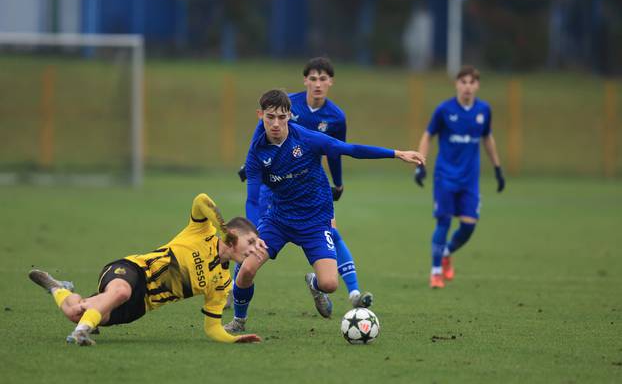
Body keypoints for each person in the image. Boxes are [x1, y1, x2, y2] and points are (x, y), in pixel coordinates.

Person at [225, 89, 424, 332]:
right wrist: (252, 236)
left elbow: (350, 149)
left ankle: (315, 285)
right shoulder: (257, 153)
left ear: (290, 116)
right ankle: (238, 321)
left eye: (281, 117)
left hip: (315, 220)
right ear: (260, 115)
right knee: (246, 270)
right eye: (270, 117)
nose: (276, 123)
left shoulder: (307, 139)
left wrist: (396, 154)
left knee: (330, 284)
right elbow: (253, 200)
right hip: (278, 219)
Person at [28, 193, 265, 346]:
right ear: (233, 236)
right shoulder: (202, 232)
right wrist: (222, 227)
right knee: (120, 292)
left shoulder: (222, 283)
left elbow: (212, 328)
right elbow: (201, 200)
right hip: (132, 270)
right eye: (251, 242)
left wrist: (234, 340)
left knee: (76, 311)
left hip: (141, 306)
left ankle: (59, 289)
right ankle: (81, 332)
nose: (254, 249)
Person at [237, 57, 372, 309]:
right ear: (305, 81)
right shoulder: (287, 104)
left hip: (307, 184)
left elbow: (337, 151)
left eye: (323, 79)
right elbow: (261, 134)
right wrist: (250, 164)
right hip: (274, 183)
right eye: (313, 78)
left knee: (330, 229)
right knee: (256, 236)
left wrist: (338, 183)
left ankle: (348, 289)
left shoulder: (336, 117)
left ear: (331, 82)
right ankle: (236, 288)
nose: (318, 84)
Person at [414, 65, 505, 289]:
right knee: (443, 221)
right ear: (457, 84)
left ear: (477, 85)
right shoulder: (444, 110)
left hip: (469, 180)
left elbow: (488, 139)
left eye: (471, 82)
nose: (467, 86)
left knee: (469, 226)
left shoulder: (484, 110)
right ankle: (435, 272)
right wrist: (420, 164)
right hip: (445, 176)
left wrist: (497, 168)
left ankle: (446, 252)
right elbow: (428, 136)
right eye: (463, 82)